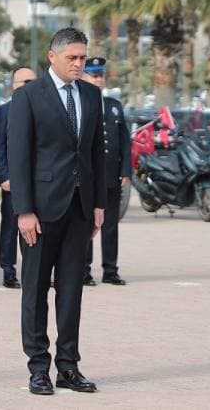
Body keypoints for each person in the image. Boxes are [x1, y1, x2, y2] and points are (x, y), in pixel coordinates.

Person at [8, 27, 106, 395]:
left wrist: (98, 204)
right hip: (41, 211)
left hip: (80, 209)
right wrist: (24, 210)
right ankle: (38, 367)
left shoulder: (91, 96)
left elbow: (96, 153)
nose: (79, 64)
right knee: (34, 290)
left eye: (83, 58)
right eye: (73, 58)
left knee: (71, 290)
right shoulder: (29, 96)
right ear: (53, 56)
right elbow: (19, 156)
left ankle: (68, 365)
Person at [80, 57, 132, 286]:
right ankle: (84, 270)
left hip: (111, 175)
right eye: (93, 75)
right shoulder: (80, 103)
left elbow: (124, 141)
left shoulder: (113, 105)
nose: (98, 79)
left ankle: (110, 270)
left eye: (100, 75)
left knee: (110, 225)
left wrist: (126, 170)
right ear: (84, 77)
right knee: (87, 224)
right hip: (89, 177)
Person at [0, 66, 36, 289]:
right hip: (13, 181)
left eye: (33, 82)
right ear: (14, 86)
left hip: (38, 182)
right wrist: (4, 176)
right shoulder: (3, 112)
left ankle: (35, 270)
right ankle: (8, 270)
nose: (30, 87)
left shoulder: (43, 109)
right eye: (25, 82)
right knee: (10, 227)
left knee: (37, 228)